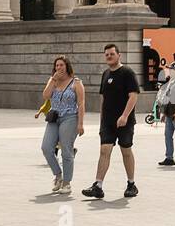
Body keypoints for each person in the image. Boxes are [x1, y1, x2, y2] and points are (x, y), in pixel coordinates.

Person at [82, 44, 140, 200]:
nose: (109, 56)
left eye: (112, 54)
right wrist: (101, 118)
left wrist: (125, 116)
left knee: (125, 150)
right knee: (104, 150)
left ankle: (131, 184)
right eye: (106, 54)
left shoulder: (127, 73)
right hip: (107, 122)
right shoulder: (105, 74)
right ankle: (98, 186)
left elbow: (133, 95)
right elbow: (104, 98)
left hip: (124, 121)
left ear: (119, 55)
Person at [40, 56, 85, 195]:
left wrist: (80, 123)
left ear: (67, 66)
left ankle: (67, 183)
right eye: (57, 65)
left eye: (61, 65)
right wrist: (53, 80)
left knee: (66, 150)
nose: (59, 68)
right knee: (46, 147)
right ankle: (58, 175)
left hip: (70, 117)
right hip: (54, 118)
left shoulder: (76, 82)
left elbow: (81, 103)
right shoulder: (52, 80)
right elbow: (46, 96)